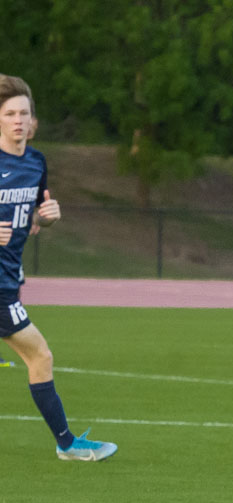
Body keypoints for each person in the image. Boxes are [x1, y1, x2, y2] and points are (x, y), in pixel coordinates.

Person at [0, 74, 117, 460]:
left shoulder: (35, 163)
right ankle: (67, 444)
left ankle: (67, 443)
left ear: (33, 120)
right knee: (40, 356)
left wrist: (48, 216)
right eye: (10, 113)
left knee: (38, 355)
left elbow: (34, 218)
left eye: (24, 113)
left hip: (7, 281)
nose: (19, 120)